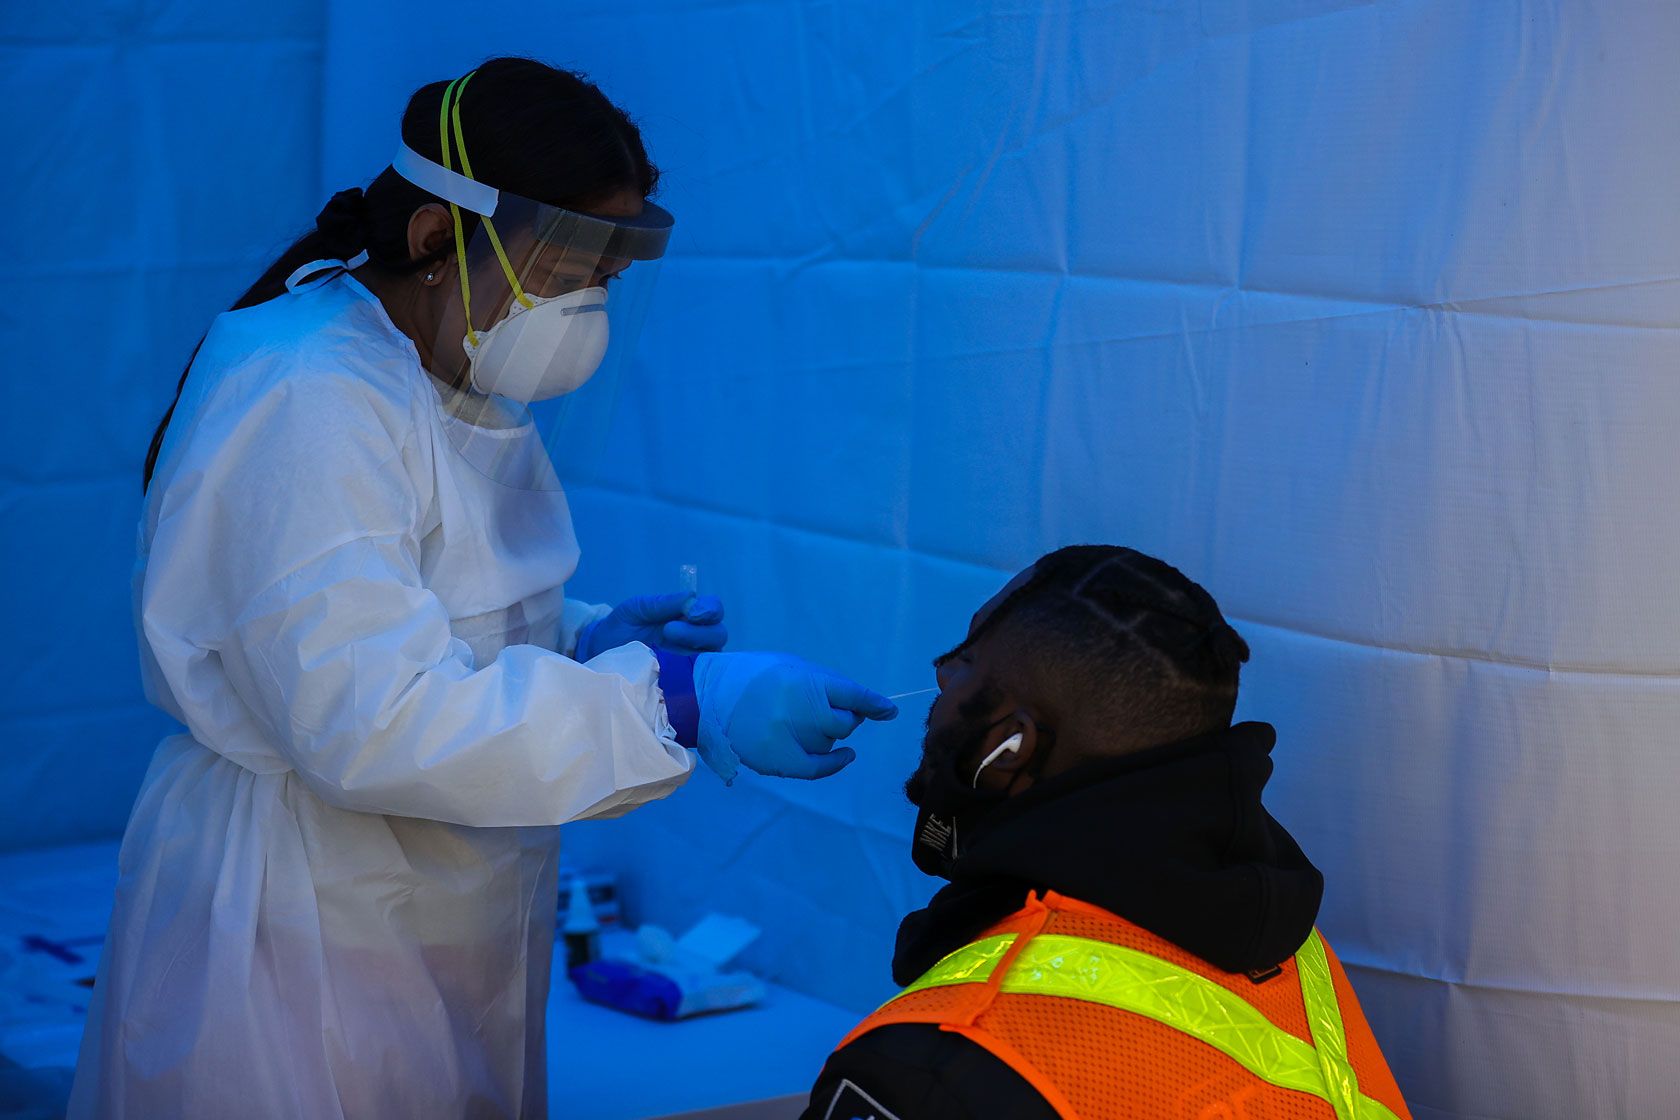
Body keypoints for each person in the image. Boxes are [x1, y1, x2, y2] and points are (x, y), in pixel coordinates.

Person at [69, 59, 895, 1120]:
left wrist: (580, 639)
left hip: (428, 915)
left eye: (607, 274)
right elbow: (366, 716)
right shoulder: (310, 393)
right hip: (299, 925)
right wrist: (674, 699)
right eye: (562, 270)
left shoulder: (444, 361)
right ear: (432, 240)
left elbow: (420, 610)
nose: (585, 307)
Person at [802, 545, 1412, 1120]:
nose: (939, 676)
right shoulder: (1287, 950)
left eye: (963, 660)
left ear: (1010, 747)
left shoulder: (938, 1073)